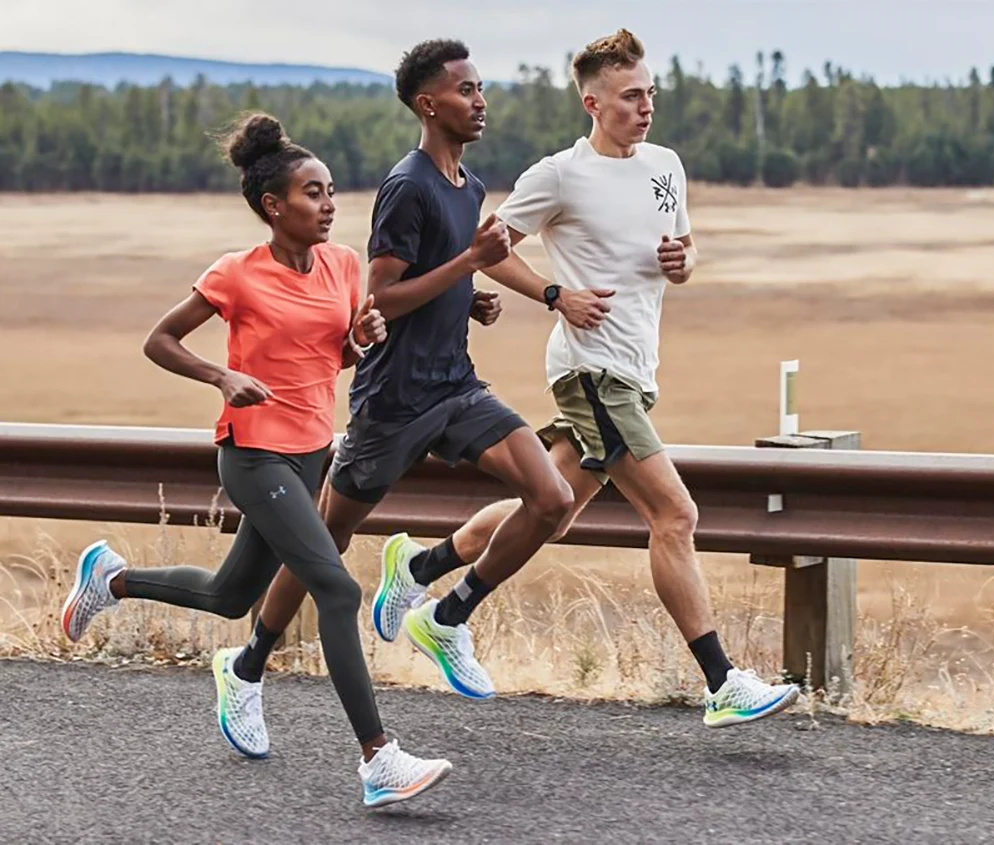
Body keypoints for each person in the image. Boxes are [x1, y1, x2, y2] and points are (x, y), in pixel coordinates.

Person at [382, 29, 801, 727]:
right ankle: (722, 681)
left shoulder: (666, 165)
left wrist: (684, 263)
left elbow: (683, 249)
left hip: (634, 369)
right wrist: (556, 295)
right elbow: (487, 250)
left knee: (553, 507)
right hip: (591, 369)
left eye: (650, 94)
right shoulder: (560, 175)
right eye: (631, 96)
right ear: (593, 103)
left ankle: (426, 578)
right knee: (675, 515)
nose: (646, 107)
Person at [59, 112, 453, 807]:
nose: (328, 205)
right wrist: (222, 377)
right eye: (312, 193)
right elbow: (160, 340)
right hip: (252, 454)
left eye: (330, 192)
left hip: (310, 452)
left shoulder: (342, 264)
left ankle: (111, 579)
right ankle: (378, 758)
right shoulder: (237, 273)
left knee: (230, 594)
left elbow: (331, 355)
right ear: (274, 206)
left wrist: (361, 338)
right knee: (337, 590)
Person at [218, 37, 572, 720]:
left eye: (480, 87)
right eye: (466, 89)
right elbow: (380, 296)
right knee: (327, 540)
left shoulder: (469, 187)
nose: (480, 100)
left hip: (456, 386)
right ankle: (248, 664)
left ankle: (443, 610)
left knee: (552, 498)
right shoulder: (408, 185)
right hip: (393, 400)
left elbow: (434, 276)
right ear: (428, 104)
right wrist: (468, 265)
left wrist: (467, 299)